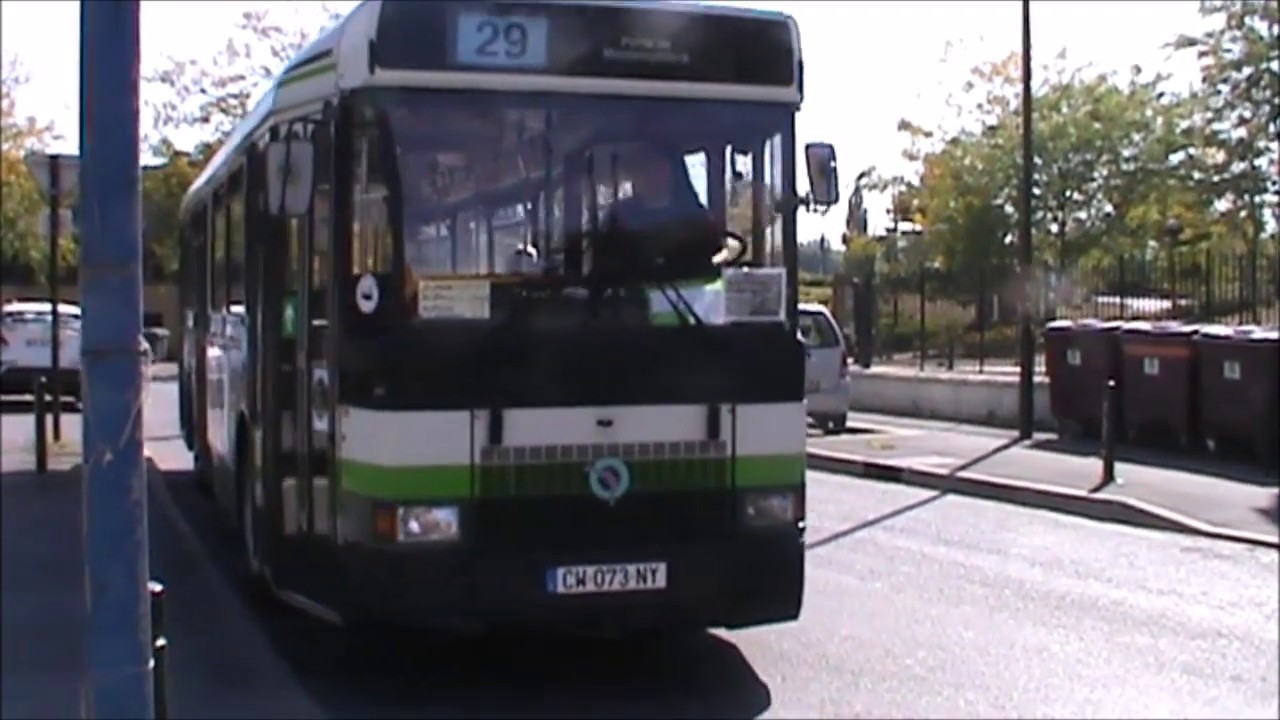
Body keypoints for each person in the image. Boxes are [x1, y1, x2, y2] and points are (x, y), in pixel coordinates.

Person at [595, 144, 725, 279]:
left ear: (670, 171)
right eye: (642, 168)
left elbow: (713, 261)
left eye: (657, 168)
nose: (650, 176)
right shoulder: (618, 217)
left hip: (692, 296)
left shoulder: (695, 216)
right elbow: (606, 266)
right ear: (633, 175)